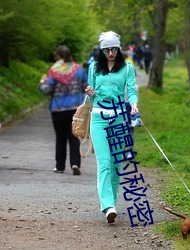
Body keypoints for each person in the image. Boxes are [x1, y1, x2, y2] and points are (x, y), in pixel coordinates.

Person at [85, 31, 138, 223]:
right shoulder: (93, 68)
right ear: (101, 50)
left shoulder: (127, 68)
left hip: (119, 119)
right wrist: (90, 92)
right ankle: (107, 205)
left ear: (119, 48)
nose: (110, 53)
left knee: (116, 165)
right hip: (98, 118)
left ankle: (112, 201)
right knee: (105, 163)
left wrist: (133, 104)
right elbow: (91, 97)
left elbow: (131, 90)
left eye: (114, 49)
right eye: (106, 50)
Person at [39, 45, 88, 175]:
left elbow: (47, 90)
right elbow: (86, 87)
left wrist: (42, 83)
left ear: (58, 57)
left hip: (58, 109)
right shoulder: (79, 70)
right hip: (75, 109)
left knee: (60, 138)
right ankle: (75, 163)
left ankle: (60, 166)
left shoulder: (54, 71)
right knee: (74, 137)